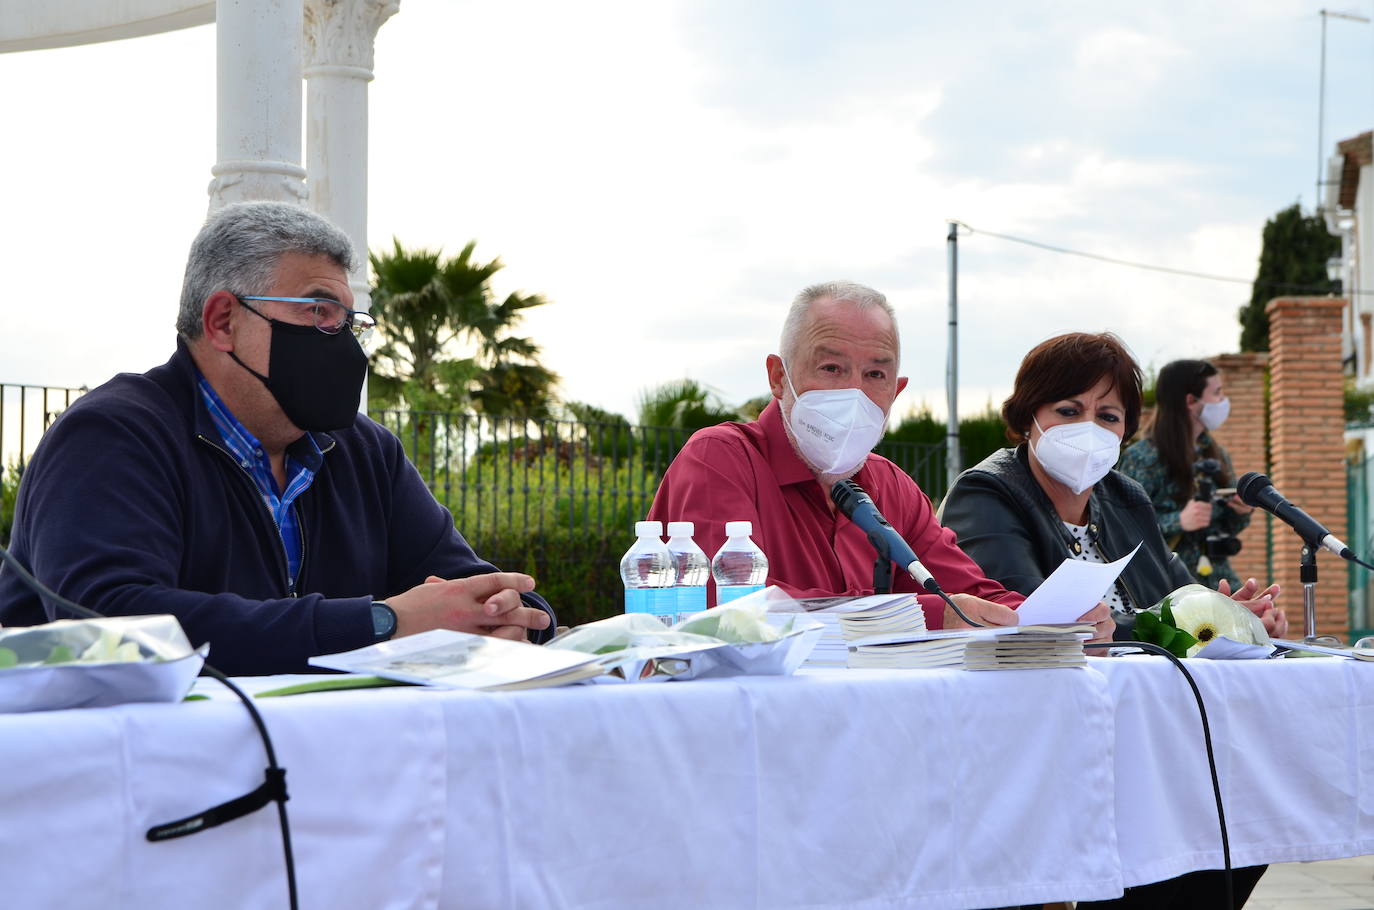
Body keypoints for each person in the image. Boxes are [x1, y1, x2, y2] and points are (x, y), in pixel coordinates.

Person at [0, 201, 553, 675]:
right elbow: (106, 624)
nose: (341, 343)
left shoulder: (364, 451)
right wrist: (381, 622)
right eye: (317, 312)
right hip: (123, 775)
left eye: (348, 323)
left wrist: (515, 616)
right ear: (222, 321)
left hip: (321, 760)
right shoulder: (111, 436)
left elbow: (466, 584)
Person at [939, 332, 1280, 910]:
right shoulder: (987, 493)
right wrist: (1167, 626)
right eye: (1068, 410)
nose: (1088, 429)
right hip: (1048, 736)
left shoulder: (1125, 497)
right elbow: (1029, 621)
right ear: (1028, 417)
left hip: (1145, 725)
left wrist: (1224, 616)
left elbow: (1178, 599)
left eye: (1109, 415)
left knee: (1245, 809)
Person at [647, 280, 1112, 638]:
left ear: (897, 390)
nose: (854, 391)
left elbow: (968, 594)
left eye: (875, 374)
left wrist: (1056, 619)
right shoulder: (720, 459)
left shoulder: (892, 487)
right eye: (831, 368)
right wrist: (936, 614)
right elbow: (729, 610)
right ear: (777, 375)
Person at [1118, 359, 1251, 590]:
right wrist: (1178, 521)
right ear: (1191, 401)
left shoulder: (1217, 454)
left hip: (1216, 579)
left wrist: (1241, 511)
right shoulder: (1143, 457)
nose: (1223, 401)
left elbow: (1228, 528)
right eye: (1217, 392)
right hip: (1165, 587)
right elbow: (1122, 528)